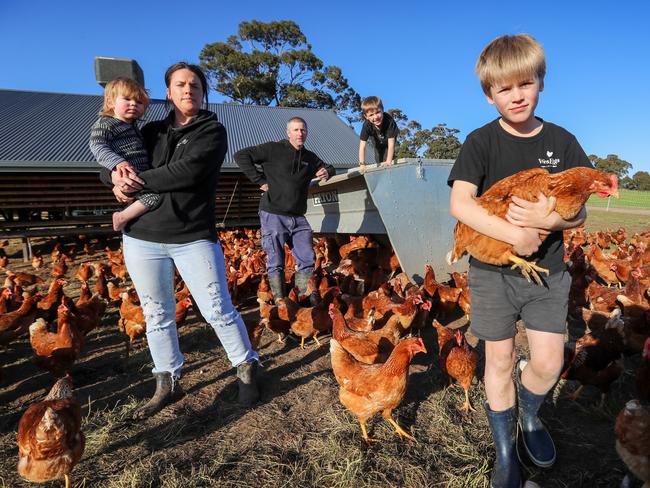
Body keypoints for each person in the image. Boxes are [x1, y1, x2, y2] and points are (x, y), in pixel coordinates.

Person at [448, 34, 592, 488]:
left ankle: (529, 417)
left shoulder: (562, 141)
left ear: (541, 83)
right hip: (492, 272)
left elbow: (581, 209)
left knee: (548, 362)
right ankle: (506, 449)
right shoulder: (480, 142)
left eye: (524, 84)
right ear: (489, 93)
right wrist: (515, 233)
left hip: (547, 272)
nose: (516, 96)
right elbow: (461, 204)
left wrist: (547, 219)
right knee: (499, 361)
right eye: (504, 89)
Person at [102, 62, 260, 419]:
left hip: (192, 235)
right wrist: (113, 177)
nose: (188, 90)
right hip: (142, 237)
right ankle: (167, 380)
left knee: (217, 308)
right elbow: (108, 153)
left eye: (195, 86)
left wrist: (135, 181)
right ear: (169, 92)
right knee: (157, 314)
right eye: (180, 84)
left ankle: (247, 367)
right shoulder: (149, 130)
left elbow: (187, 172)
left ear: (203, 94)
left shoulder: (212, 131)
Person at [234, 117, 335, 302]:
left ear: (307, 132)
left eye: (303, 130)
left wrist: (327, 171)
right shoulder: (273, 149)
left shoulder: (310, 157)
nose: (300, 133)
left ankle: (301, 300)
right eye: (296, 130)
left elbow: (329, 167)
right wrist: (259, 181)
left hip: (298, 216)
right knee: (276, 262)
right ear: (288, 133)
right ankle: (281, 305)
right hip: (273, 214)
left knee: (307, 258)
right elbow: (241, 155)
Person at [89, 77, 159, 232]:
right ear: (110, 102)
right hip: (128, 174)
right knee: (154, 197)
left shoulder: (133, 127)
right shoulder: (106, 123)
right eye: (127, 99)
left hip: (138, 175)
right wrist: (118, 163)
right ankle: (122, 217)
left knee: (152, 198)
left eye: (139, 102)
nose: (133, 104)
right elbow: (97, 145)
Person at [358, 96, 399, 168]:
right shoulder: (367, 125)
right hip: (376, 140)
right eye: (371, 115)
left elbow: (391, 144)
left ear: (382, 110)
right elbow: (362, 146)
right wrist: (362, 164)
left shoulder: (389, 121)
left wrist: (388, 162)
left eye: (378, 112)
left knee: (387, 158)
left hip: (389, 140)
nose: (376, 117)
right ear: (366, 116)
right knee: (378, 158)